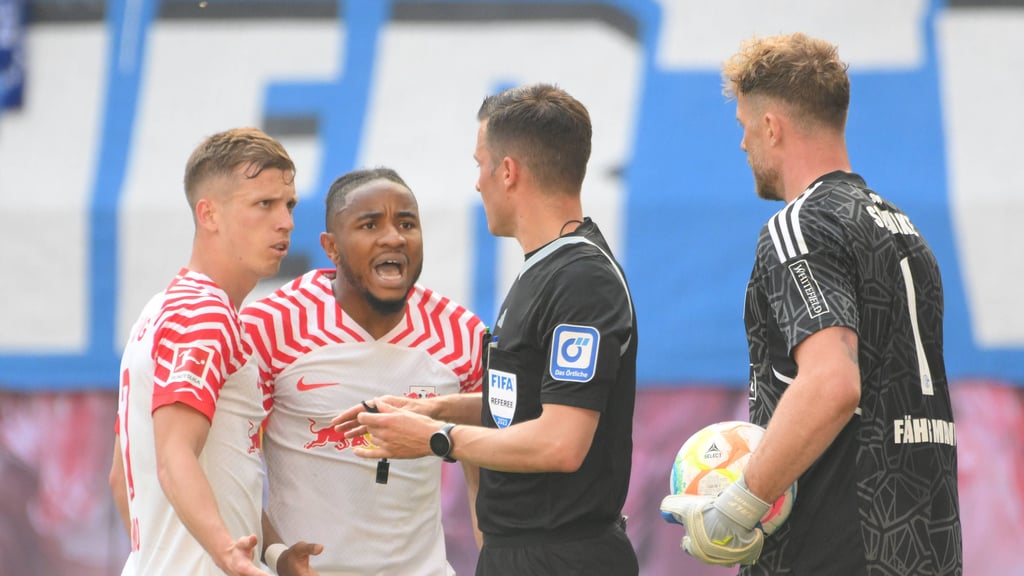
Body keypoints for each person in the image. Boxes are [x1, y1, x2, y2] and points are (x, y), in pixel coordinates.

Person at [660, 33, 963, 575]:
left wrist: (741, 503)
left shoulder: (800, 224)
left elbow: (833, 382)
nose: (742, 145)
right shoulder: (905, 231)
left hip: (836, 550)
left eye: (744, 128)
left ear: (772, 126)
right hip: (925, 548)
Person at [332, 83, 640, 576]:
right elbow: (533, 404)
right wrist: (434, 408)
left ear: (509, 171)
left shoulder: (582, 279)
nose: (477, 183)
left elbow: (560, 442)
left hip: (562, 557)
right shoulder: (544, 267)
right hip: (522, 553)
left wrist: (437, 436)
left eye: (480, 165)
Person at [239, 167, 486, 575]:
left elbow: (484, 478)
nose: (393, 237)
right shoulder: (270, 325)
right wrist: (276, 554)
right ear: (331, 247)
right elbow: (233, 469)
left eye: (407, 223)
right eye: (370, 224)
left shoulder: (463, 333)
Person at [108, 127, 321, 576]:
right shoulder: (205, 313)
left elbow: (120, 478)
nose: (286, 222)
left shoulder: (163, 308)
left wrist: (272, 553)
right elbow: (174, 458)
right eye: (264, 204)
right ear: (209, 214)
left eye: (289, 205)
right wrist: (224, 556)